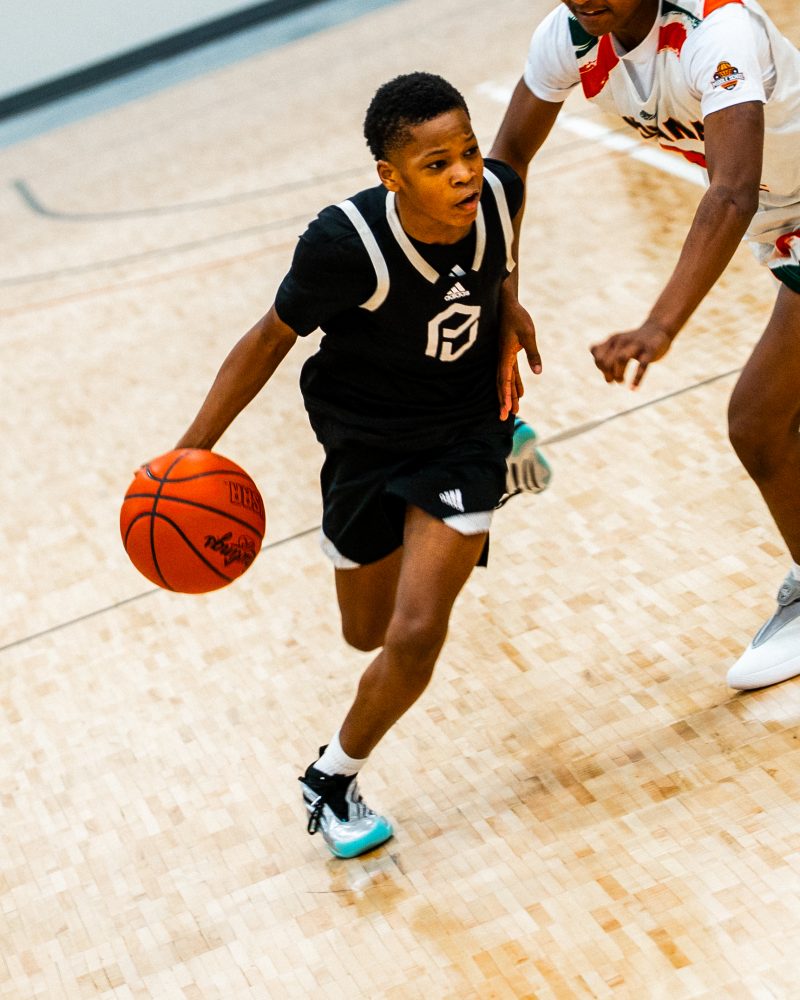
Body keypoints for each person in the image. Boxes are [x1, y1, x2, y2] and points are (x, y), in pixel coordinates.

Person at [173, 72, 550, 858]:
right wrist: (192, 449)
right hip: (364, 442)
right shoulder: (345, 246)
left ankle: (331, 778)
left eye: (469, 151)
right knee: (366, 632)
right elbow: (269, 337)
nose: (464, 174)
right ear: (391, 175)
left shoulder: (498, 195)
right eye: (437, 164)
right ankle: (468, 487)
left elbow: (500, 254)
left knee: (416, 632)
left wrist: (506, 307)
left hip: (461, 435)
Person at [490, 0, 800, 691]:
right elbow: (507, 160)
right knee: (769, 420)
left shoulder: (715, 27)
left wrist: (659, 326)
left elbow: (732, 192)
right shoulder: (569, 36)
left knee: (759, 421)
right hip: (786, 223)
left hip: (782, 211)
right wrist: (503, 290)